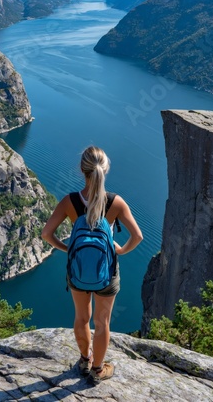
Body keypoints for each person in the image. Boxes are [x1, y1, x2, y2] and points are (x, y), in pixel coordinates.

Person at [41, 145, 143, 384]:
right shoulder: (115, 202)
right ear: (105, 170)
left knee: (81, 318)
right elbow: (138, 237)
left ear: (82, 170)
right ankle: (98, 369)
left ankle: (84, 360)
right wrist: (119, 250)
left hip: (77, 272)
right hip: (107, 272)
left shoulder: (70, 201)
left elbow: (46, 234)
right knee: (102, 321)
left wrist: (69, 248)